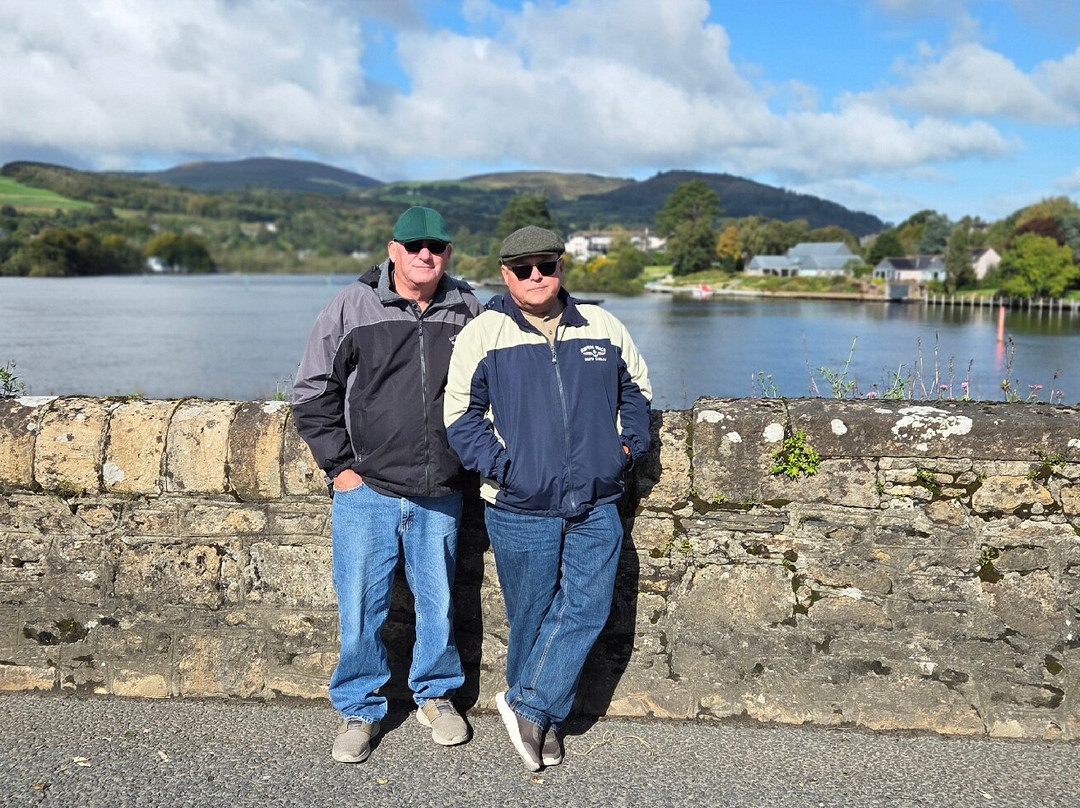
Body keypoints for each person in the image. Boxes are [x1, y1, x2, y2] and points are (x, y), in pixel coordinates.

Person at [444, 225, 652, 771]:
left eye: (547, 265)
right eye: (524, 268)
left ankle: (530, 707)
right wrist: (507, 470)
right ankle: (542, 720)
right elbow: (460, 417)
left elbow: (638, 393)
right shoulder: (484, 334)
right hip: (518, 505)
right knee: (532, 613)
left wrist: (623, 451)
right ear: (505, 273)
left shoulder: (602, 326)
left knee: (588, 606)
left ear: (562, 267)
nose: (537, 276)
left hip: (596, 498)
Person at [292, 206, 482, 763]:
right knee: (361, 605)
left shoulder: (468, 308)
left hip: (440, 487)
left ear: (448, 252)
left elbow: (496, 385)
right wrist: (340, 469)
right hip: (367, 488)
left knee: (439, 601)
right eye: (415, 245)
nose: (427, 255)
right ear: (393, 249)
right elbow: (311, 393)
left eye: (438, 246)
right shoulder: (351, 306)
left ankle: (436, 696)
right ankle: (359, 708)